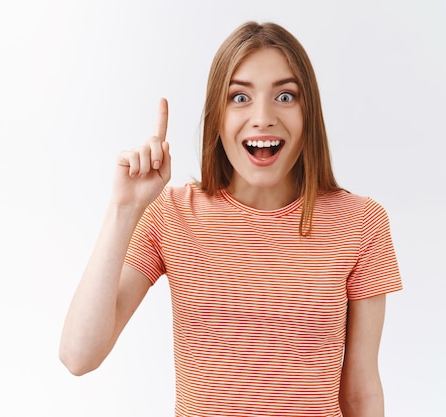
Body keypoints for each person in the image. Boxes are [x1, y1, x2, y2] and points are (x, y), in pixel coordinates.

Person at [59, 21, 402, 417]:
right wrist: (124, 209)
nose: (262, 117)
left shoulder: (361, 223)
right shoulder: (171, 214)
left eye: (285, 96)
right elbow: (78, 356)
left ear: (309, 113)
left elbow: (360, 392)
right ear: (216, 117)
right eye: (239, 97)